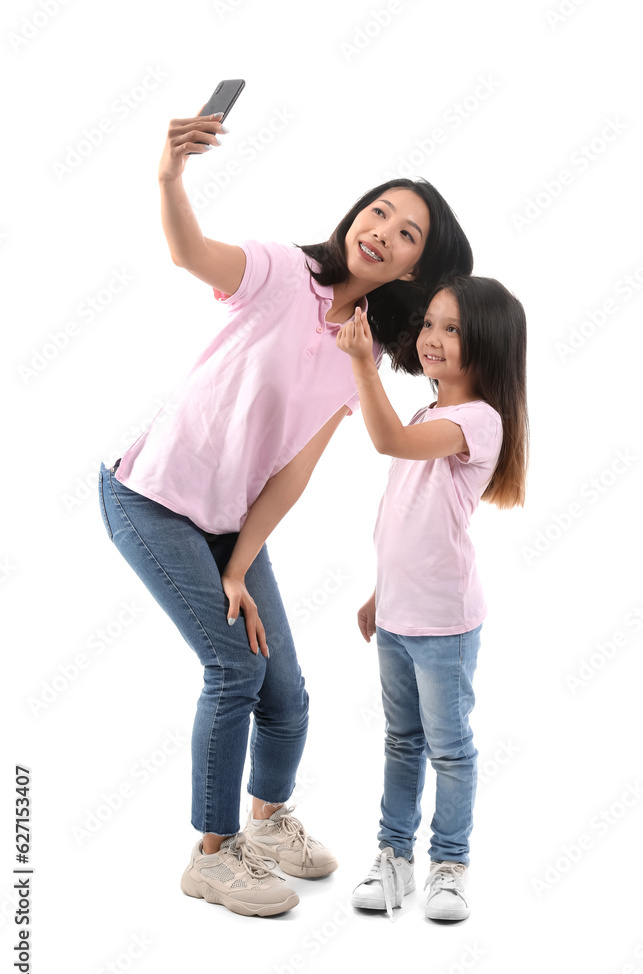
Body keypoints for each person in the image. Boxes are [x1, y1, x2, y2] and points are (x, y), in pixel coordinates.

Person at [96, 107, 475, 918]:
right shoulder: (280, 272)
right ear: (355, 215)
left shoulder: (362, 354)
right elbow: (190, 252)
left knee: (289, 690)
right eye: (379, 210)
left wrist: (237, 566)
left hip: (229, 520)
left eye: (407, 233)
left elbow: (293, 473)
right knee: (234, 668)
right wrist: (169, 176)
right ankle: (212, 853)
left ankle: (267, 826)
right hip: (152, 496)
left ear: (414, 268)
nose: (383, 231)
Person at [336, 274, 529, 921]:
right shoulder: (426, 413)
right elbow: (403, 518)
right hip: (396, 615)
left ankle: (449, 864)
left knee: (448, 748)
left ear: (488, 346)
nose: (434, 339)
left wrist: (363, 363)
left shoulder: (477, 421)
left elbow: (387, 441)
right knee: (400, 741)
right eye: (430, 325)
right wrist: (377, 592)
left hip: (445, 623)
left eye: (453, 329)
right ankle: (395, 859)